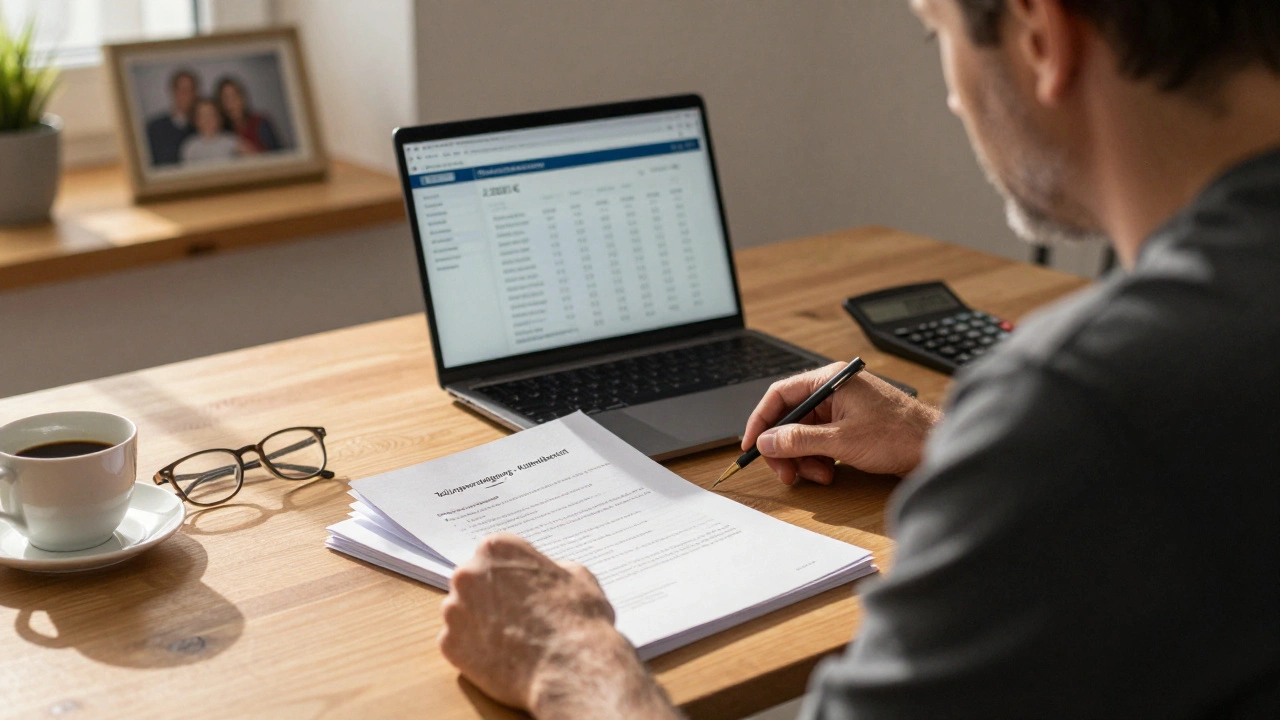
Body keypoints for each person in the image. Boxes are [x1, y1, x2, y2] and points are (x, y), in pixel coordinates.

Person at [438, 0, 1280, 717]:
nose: (952, 95)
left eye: (935, 32)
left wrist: (568, 658)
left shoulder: (1079, 404)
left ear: (1039, 35)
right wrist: (948, 438)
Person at [215, 76, 285, 154]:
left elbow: (279, 155)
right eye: (226, 98)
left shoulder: (260, 122)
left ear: (243, 98)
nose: (231, 103)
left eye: (234, 96)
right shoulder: (222, 131)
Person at [144, 69, 199, 166]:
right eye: (183, 90)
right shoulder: (155, 128)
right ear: (173, 92)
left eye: (191, 90)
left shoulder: (201, 126)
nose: (187, 96)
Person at [178, 99, 243, 164]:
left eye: (211, 114)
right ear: (196, 120)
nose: (207, 119)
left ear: (219, 118)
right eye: (203, 116)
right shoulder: (190, 147)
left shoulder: (232, 141)